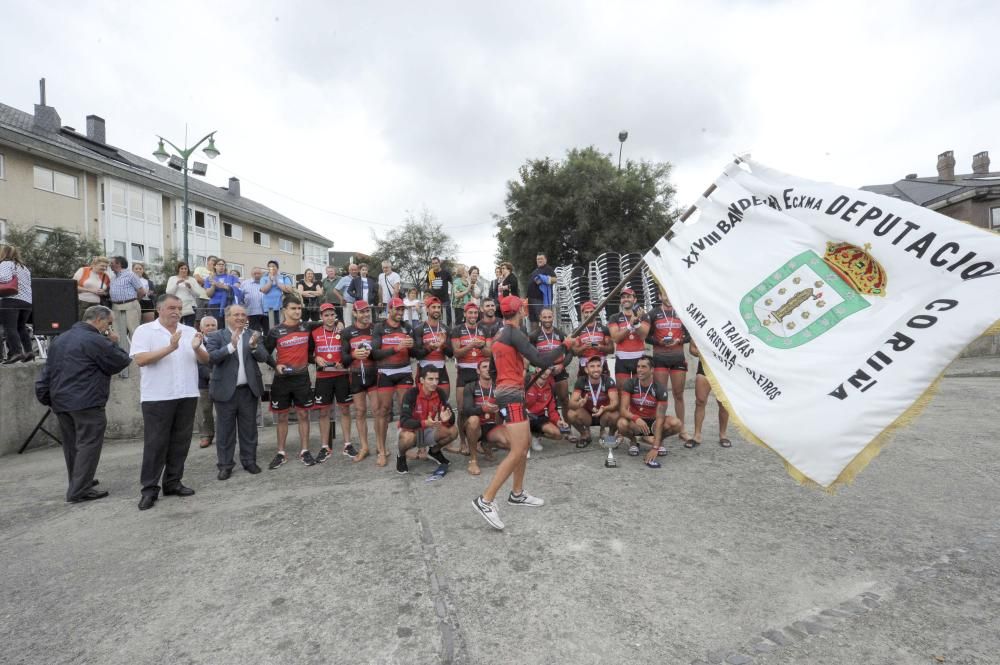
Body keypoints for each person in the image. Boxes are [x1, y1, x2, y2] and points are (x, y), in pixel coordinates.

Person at [472, 296, 574, 531]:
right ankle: (485, 500)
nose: (525, 311)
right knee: (518, 450)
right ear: (520, 311)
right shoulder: (513, 332)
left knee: (525, 443)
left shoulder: (500, 334)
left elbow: (495, 369)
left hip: (510, 393)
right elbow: (540, 360)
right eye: (524, 308)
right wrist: (565, 346)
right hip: (512, 397)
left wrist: (508, 384)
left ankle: (517, 493)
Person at [34, 305, 132, 502]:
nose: (109, 328)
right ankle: (79, 490)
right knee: (88, 444)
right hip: (87, 401)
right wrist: (113, 342)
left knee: (72, 445)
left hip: (61, 401)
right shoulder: (96, 340)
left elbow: (47, 371)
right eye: (108, 323)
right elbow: (120, 361)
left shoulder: (61, 338)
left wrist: (47, 397)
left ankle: (79, 480)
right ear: (98, 320)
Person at [131, 294, 209, 511]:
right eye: (171, 307)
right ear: (159, 310)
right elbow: (141, 360)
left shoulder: (190, 332)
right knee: (156, 444)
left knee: (180, 442)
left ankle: (173, 482)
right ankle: (149, 489)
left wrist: (196, 348)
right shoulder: (145, 331)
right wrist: (170, 348)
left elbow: (206, 360)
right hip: (158, 397)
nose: (176, 311)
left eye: (179, 307)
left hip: (186, 394)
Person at [205, 304, 271, 480]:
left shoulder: (254, 335)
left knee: (249, 430)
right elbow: (211, 358)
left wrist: (255, 346)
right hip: (225, 391)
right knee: (225, 431)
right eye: (236, 315)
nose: (241, 318)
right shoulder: (216, 336)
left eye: (243, 314)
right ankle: (225, 465)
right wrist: (230, 347)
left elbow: (264, 357)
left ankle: (249, 461)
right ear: (227, 317)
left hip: (248, 391)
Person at [263, 297, 317, 468]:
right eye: (293, 308)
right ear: (284, 310)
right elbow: (265, 353)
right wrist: (275, 364)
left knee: (303, 415)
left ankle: (305, 451)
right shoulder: (275, 331)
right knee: (282, 416)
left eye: (299, 308)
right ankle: (280, 453)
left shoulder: (306, 327)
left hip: (302, 377)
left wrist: (338, 324)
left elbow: (326, 323)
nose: (297, 311)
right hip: (282, 380)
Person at [372, 297, 416, 466]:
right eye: (396, 309)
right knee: (383, 411)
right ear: (389, 309)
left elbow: (415, 351)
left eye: (401, 310)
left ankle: (405, 447)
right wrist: (395, 348)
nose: (399, 312)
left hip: (404, 370)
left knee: (406, 410)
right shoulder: (380, 327)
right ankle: (382, 450)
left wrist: (412, 346)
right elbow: (375, 354)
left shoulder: (407, 327)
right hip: (385, 372)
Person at [616, 356, 682, 468]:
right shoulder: (630, 383)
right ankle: (633, 441)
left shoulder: (659, 388)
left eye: (643, 367)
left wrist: (655, 448)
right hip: (636, 422)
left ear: (652, 370)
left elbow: (660, 419)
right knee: (621, 423)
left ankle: (658, 441)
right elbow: (623, 410)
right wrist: (636, 418)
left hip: (654, 422)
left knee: (677, 423)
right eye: (638, 367)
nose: (639, 370)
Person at [311, 303, 355, 462]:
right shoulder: (314, 333)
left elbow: (349, 353)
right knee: (323, 412)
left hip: (341, 375)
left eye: (332, 315)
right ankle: (324, 447)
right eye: (326, 315)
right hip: (323, 377)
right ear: (321, 317)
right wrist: (315, 358)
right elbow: (309, 354)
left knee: (344, 410)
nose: (329, 318)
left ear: (336, 316)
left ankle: (348, 444)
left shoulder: (343, 332)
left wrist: (344, 362)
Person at [648, 289, 692, 442]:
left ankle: (682, 430)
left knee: (679, 395)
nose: (667, 297)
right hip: (660, 358)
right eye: (664, 294)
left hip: (678, 358)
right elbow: (646, 337)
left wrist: (679, 341)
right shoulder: (653, 313)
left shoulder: (681, 311)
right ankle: (656, 428)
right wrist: (658, 342)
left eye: (669, 293)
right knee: (661, 396)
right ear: (660, 296)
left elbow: (690, 334)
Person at [395, 366, 456, 475]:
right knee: (407, 438)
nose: (434, 383)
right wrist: (424, 423)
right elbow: (404, 421)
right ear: (422, 380)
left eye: (436, 379)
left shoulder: (440, 392)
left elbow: (452, 419)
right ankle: (401, 456)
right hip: (411, 430)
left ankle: (434, 452)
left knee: (453, 431)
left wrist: (446, 420)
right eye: (430, 379)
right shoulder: (411, 393)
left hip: (428, 429)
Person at [451, 302, 491, 455]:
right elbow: (456, 353)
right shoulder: (457, 330)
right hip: (465, 372)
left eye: (475, 313)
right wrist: (471, 346)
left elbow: (489, 352)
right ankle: (462, 442)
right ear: (465, 314)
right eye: (470, 313)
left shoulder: (484, 329)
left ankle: (480, 441)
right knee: (462, 410)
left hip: (480, 372)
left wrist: (481, 347)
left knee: (481, 407)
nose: (473, 316)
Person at [343, 300, 376, 463]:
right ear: (355, 313)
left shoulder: (375, 329)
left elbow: (381, 352)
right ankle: (364, 447)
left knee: (378, 411)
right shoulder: (347, 332)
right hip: (356, 374)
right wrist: (354, 356)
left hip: (374, 374)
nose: (365, 314)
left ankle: (381, 446)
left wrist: (372, 354)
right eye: (361, 312)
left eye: (367, 311)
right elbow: (343, 359)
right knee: (360, 412)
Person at [463, 358, 507, 476]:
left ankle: (486, 444)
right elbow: (466, 411)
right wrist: (482, 409)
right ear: (478, 371)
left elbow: (505, 411)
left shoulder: (499, 387)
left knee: (508, 442)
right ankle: (473, 460)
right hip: (476, 426)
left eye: (490, 367)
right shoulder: (470, 387)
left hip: (492, 425)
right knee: (473, 420)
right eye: (484, 367)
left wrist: (499, 410)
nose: (488, 369)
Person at [528, 307, 570, 425]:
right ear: (540, 318)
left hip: (558, 371)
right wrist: (536, 366)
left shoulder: (560, 334)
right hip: (542, 372)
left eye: (549, 317)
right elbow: (528, 354)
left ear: (553, 318)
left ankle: (567, 428)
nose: (547, 319)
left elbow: (570, 352)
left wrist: (562, 365)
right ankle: (546, 425)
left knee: (565, 400)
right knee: (544, 401)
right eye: (544, 317)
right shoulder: (534, 335)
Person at [566, 355, 619, 447]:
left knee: (616, 414)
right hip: (587, 415)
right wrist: (578, 404)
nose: (596, 369)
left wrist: (604, 408)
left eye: (598, 366)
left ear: (602, 368)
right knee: (571, 414)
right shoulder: (581, 381)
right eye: (592, 366)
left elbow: (615, 403)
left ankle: (609, 436)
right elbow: (571, 403)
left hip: (603, 414)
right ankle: (584, 434)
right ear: (586, 370)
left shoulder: (608, 380)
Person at [688, 340, 732, 449]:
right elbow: (692, 348)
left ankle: (723, 435)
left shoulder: (730, 327)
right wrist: (703, 354)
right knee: (700, 401)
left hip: (724, 370)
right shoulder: (703, 326)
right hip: (705, 368)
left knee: (723, 403)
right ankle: (697, 435)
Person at [608, 288, 650, 386]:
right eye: (623, 297)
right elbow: (616, 338)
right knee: (623, 394)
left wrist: (636, 323)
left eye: (629, 297)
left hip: (639, 360)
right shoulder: (614, 317)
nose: (626, 299)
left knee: (639, 393)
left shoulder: (644, 316)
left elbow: (643, 336)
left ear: (634, 300)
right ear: (620, 301)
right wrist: (629, 325)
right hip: (622, 361)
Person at [413, 296, 452, 400]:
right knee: (422, 403)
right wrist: (431, 347)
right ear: (427, 309)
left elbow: (451, 353)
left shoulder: (446, 328)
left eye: (438, 307)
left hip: (441, 369)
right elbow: (417, 354)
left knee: (443, 402)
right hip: (424, 369)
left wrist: (442, 345)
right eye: (433, 307)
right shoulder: (419, 329)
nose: (436, 310)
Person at [0, 244, 34, 364]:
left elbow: (4, 278)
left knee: (10, 328)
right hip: (26, 302)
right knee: (21, 327)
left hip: (10, 300)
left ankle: (16, 353)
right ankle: (29, 351)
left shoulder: (5, 264)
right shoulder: (24, 268)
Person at [524, 366, 569, 454]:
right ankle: (524, 440)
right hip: (523, 416)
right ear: (537, 369)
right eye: (542, 367)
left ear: (551, 371)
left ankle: (535, 435)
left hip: (538, 417)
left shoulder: (551, 386)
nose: (545, 370)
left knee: (558, 435)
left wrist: (558, 421)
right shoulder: (527, 380)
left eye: (548, 368)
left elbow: (552, 410)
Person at [108, 255, 147, 345]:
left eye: (112, 263)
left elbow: (141, 291)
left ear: (119, 264)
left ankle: (135, 354)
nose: (110, 265)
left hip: (130, 305)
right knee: (117, 331)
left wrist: (134, 301)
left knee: (133, 330)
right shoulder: (113, 277)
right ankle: (121, 353)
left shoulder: (131, 275)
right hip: (115, 306)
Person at [570, 300, 613, 375]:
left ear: (595, 312)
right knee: (583, 386)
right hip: (584, 364)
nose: (589, 314)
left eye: (591, 311)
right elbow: (574, 352)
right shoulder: (577, 331)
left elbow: (611, 350)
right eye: (586, 312)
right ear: (583, 313)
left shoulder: (604, 329)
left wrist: (599, 346)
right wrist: (583, 347)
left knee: (604, 386)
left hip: (601, 364)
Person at [196, 315, 219, 448]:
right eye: (207, 325)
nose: (210, 328)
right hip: (202, 382)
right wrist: (210, 375)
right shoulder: (196, 342)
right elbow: (197, 363)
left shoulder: (223, 340)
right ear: (201, 328)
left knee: (223, 410)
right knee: (204, 410)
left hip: (221, 381)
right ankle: (206, 435)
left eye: (213, 325)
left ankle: (224, 435)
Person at [166, 262, 206, 327]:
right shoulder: (172, 278)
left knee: (189, 326)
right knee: (175, 326)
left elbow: (198, 294)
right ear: (178, 269)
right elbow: (168, 293)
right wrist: (176, 284)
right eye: (182, 268)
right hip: (176, 306)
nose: (184, 270)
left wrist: (190, 288)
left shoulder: (192, 280)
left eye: (185, 268)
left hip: (190, 306)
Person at [73, 256, 111, 321]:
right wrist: (91, 290)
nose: (104, 268)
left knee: (94, 324)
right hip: (82, 302)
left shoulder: (106, 276)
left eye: (106, 266)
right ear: (94, 264)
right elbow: (72, 286)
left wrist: (103, 293)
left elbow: (107, 292)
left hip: (97, 304)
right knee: (81, 322)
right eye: (102, 266)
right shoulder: (83, 270)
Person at [260, 260, 295, 329]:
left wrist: (277, 281)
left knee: (282, 328)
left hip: (282, 306)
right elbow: (264, 290)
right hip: (269, 308)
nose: (271, 268)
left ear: (277, 268)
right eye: (269, 267)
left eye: (273, 266)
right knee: (271, 329)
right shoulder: (264, 278)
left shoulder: (284, 277)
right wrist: (270, 280)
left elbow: (289, 290)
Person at [527, 253, 557, 323]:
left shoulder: (548, 269)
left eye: (541, 259)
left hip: (540, 299)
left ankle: (543, 333)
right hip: (531, 299)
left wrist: (543, 280)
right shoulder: (535, 270)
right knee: (533, 320)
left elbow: (555, 279)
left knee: (542, 319)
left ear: (545, 260)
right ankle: (534, 334)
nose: (539, 260)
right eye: (538, 259)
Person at [425, 257, 453, 326]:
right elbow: (427, 285)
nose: (435, 265)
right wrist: (428, 295)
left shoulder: (445, 273)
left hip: (445, 300)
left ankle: (446, 332)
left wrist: (452, 292)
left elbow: (453, 282)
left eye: (436, 263)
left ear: (439, 263)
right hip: (434, 301)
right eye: (433, 263)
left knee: (447, 320)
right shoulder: (430, 273)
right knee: (433, 318)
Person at [241, 267, 267, 333]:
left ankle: (266, 343)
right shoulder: (245, 283)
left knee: (267, 332)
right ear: (251, 274)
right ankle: (256, 343)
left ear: (262, 274)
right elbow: (241, 297)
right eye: (255, 273)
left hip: (266, 312)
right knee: (254, 333)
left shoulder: (266, 282)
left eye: (259, 273)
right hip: (252, 312)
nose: (257, 275)